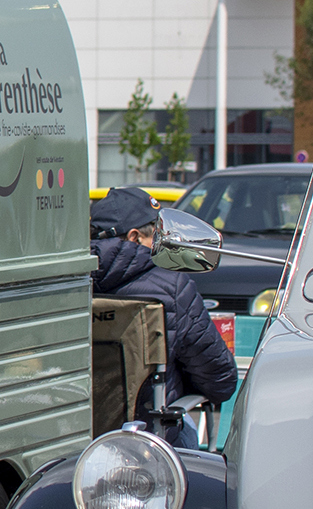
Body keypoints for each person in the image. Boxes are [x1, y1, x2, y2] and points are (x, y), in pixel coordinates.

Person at [90, 185, 236, 445]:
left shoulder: (64, 284)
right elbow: (220, 380)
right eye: (156, 236)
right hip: (148, 444)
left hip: (75, 441)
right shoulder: (171, 285)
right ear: (134, 237)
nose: (162, 244)